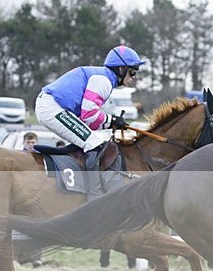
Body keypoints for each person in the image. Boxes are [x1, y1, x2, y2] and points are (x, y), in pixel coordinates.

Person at [35, 45, 144, 198]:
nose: (133, 77)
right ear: (121, 69)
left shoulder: (104, 78)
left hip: (52, 106)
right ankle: (95, 196)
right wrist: (111, 120)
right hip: (52, 107)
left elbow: (89, 121)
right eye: (132, 72)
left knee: (92, 140)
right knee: (95, 144)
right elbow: (89, 115)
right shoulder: (104, 80)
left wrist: (109, 122)